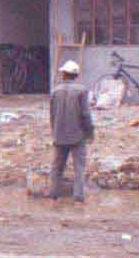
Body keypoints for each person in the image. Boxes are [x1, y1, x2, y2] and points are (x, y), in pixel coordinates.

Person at [49, 60, 94, 202]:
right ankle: (78, 197)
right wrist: (90, 132)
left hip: (59, 135)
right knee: (79, 168)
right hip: (77, 136)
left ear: (63, 74)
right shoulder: (82, 91)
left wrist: (54, 132)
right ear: (76, 75)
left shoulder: (55, 91)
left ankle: (54, 195)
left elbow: (52, 115)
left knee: (57, 168)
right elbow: (85, 114)